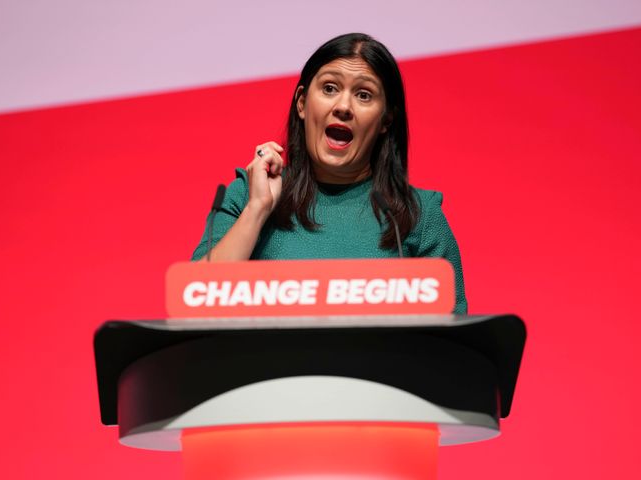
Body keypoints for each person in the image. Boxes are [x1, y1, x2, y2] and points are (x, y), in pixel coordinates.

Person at [192, 33, 467, 314]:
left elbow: (453, 348)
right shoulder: (248, 195)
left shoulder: (417, 216)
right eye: (330, 88)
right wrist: (258, 210)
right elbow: (194, 307)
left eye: (364, 95)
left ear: (386, 119)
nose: (343, 107)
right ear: (302, 102)